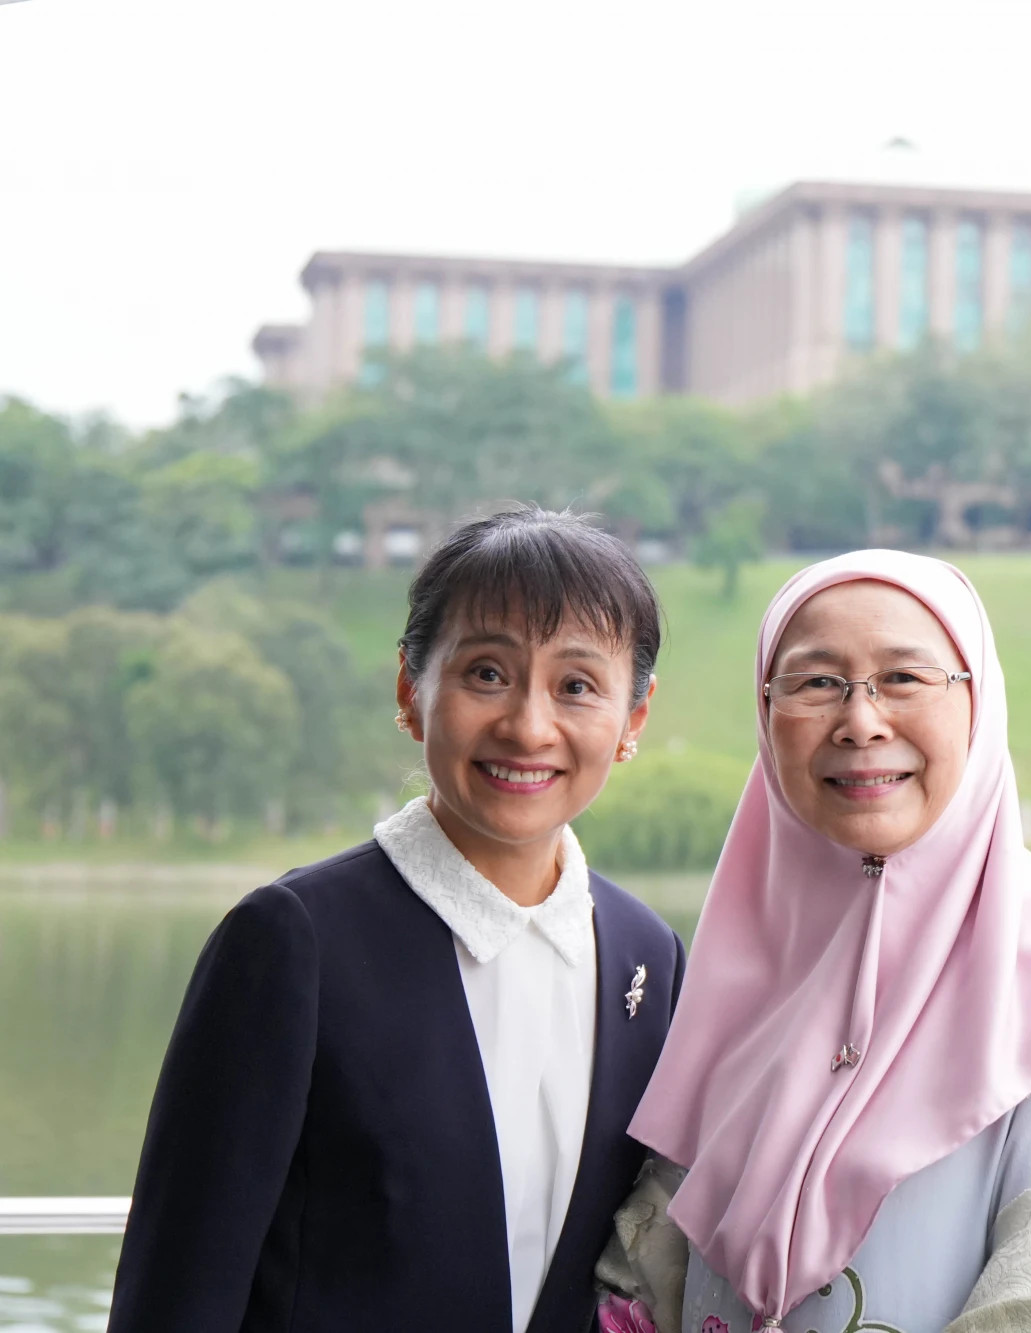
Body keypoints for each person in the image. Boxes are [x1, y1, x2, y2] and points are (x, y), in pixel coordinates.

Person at [107, 507, 689, 1333]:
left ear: (633, 717)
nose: (528, 726)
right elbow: (178, 1291)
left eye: (577, 686)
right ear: (412, 689)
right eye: (486, 673)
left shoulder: (646, 957)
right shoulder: (293, 942)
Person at [600, 549, 1031, 1333]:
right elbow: (647, 1268)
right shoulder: (752, 961)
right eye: (816, 682)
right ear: (766, 713)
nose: (861, 721)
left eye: (905, 677)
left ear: (979, 701)